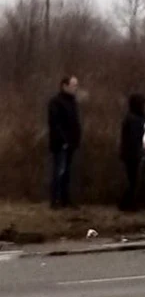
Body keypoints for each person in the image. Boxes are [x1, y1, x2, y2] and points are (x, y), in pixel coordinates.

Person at [48, 76, 82, 209]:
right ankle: (55, 200)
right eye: (73, 85)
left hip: (71, 142)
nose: (75, 88)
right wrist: (63, 140)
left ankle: (65, 199)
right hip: (60, 143)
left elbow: (74, 123)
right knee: (59, 171)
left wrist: (75, 139)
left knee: (67, 172)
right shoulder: (56, 102)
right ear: (64, 86)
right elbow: (55, 124)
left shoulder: (72, 102)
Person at [119, 94, 145, 212]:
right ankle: (127, 203)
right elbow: (134, 138)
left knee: (133, 179)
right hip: (131, 154)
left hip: (129, 153)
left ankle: (127, 203)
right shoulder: (133, 119)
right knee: (133, 180)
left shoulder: (132, 118)